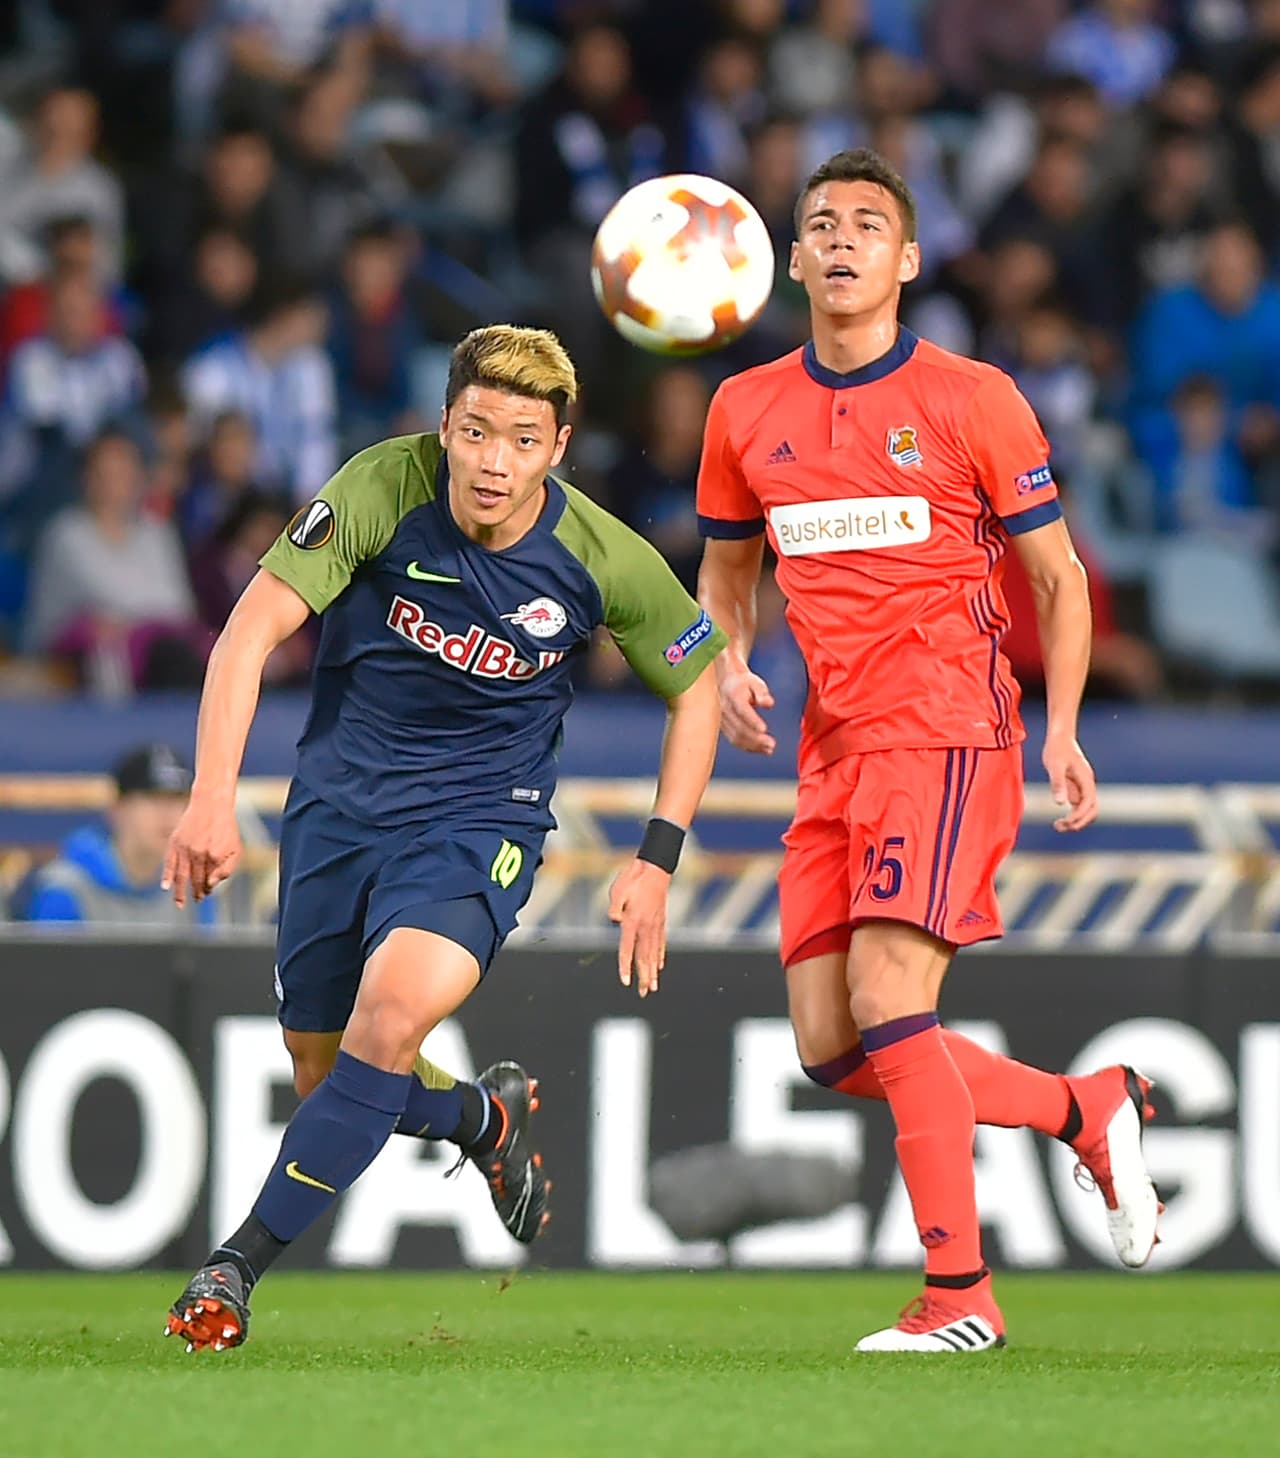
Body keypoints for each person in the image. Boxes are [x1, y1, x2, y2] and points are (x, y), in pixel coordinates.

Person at [162, 324, 725, 1353]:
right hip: (336, 812)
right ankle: (481, 1121)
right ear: (445, 425)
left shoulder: (603, 558)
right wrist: (209, 797)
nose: (492, 462)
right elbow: (249, 631)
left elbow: (697, 690)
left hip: (480, 823)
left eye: (519, 439)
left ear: (557, 447)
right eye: (474, 432)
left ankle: (233, 1268)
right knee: (324, 1074)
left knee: (389, 1020)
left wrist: (656, 857)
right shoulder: (381, 487)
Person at [695, 148, 1160, 1354]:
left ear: (904, 261)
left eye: (866, 224)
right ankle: (1082, 1107)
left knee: (890, 996)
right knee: (831, 1045)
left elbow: (1056, 580)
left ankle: (958, 1297)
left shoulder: (970, 396)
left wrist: (1056, 728)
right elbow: (727, 572)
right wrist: (729, 658)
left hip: (948, 729)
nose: (840, 240)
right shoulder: (743, 410)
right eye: (819, 225)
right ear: (790, 259)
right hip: (831, 747)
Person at [18, 744, 215, 928]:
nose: (168, 815)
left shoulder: (194, 887)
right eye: (153, 799)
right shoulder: (67, 888)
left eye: (177, 801)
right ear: (117, 809)